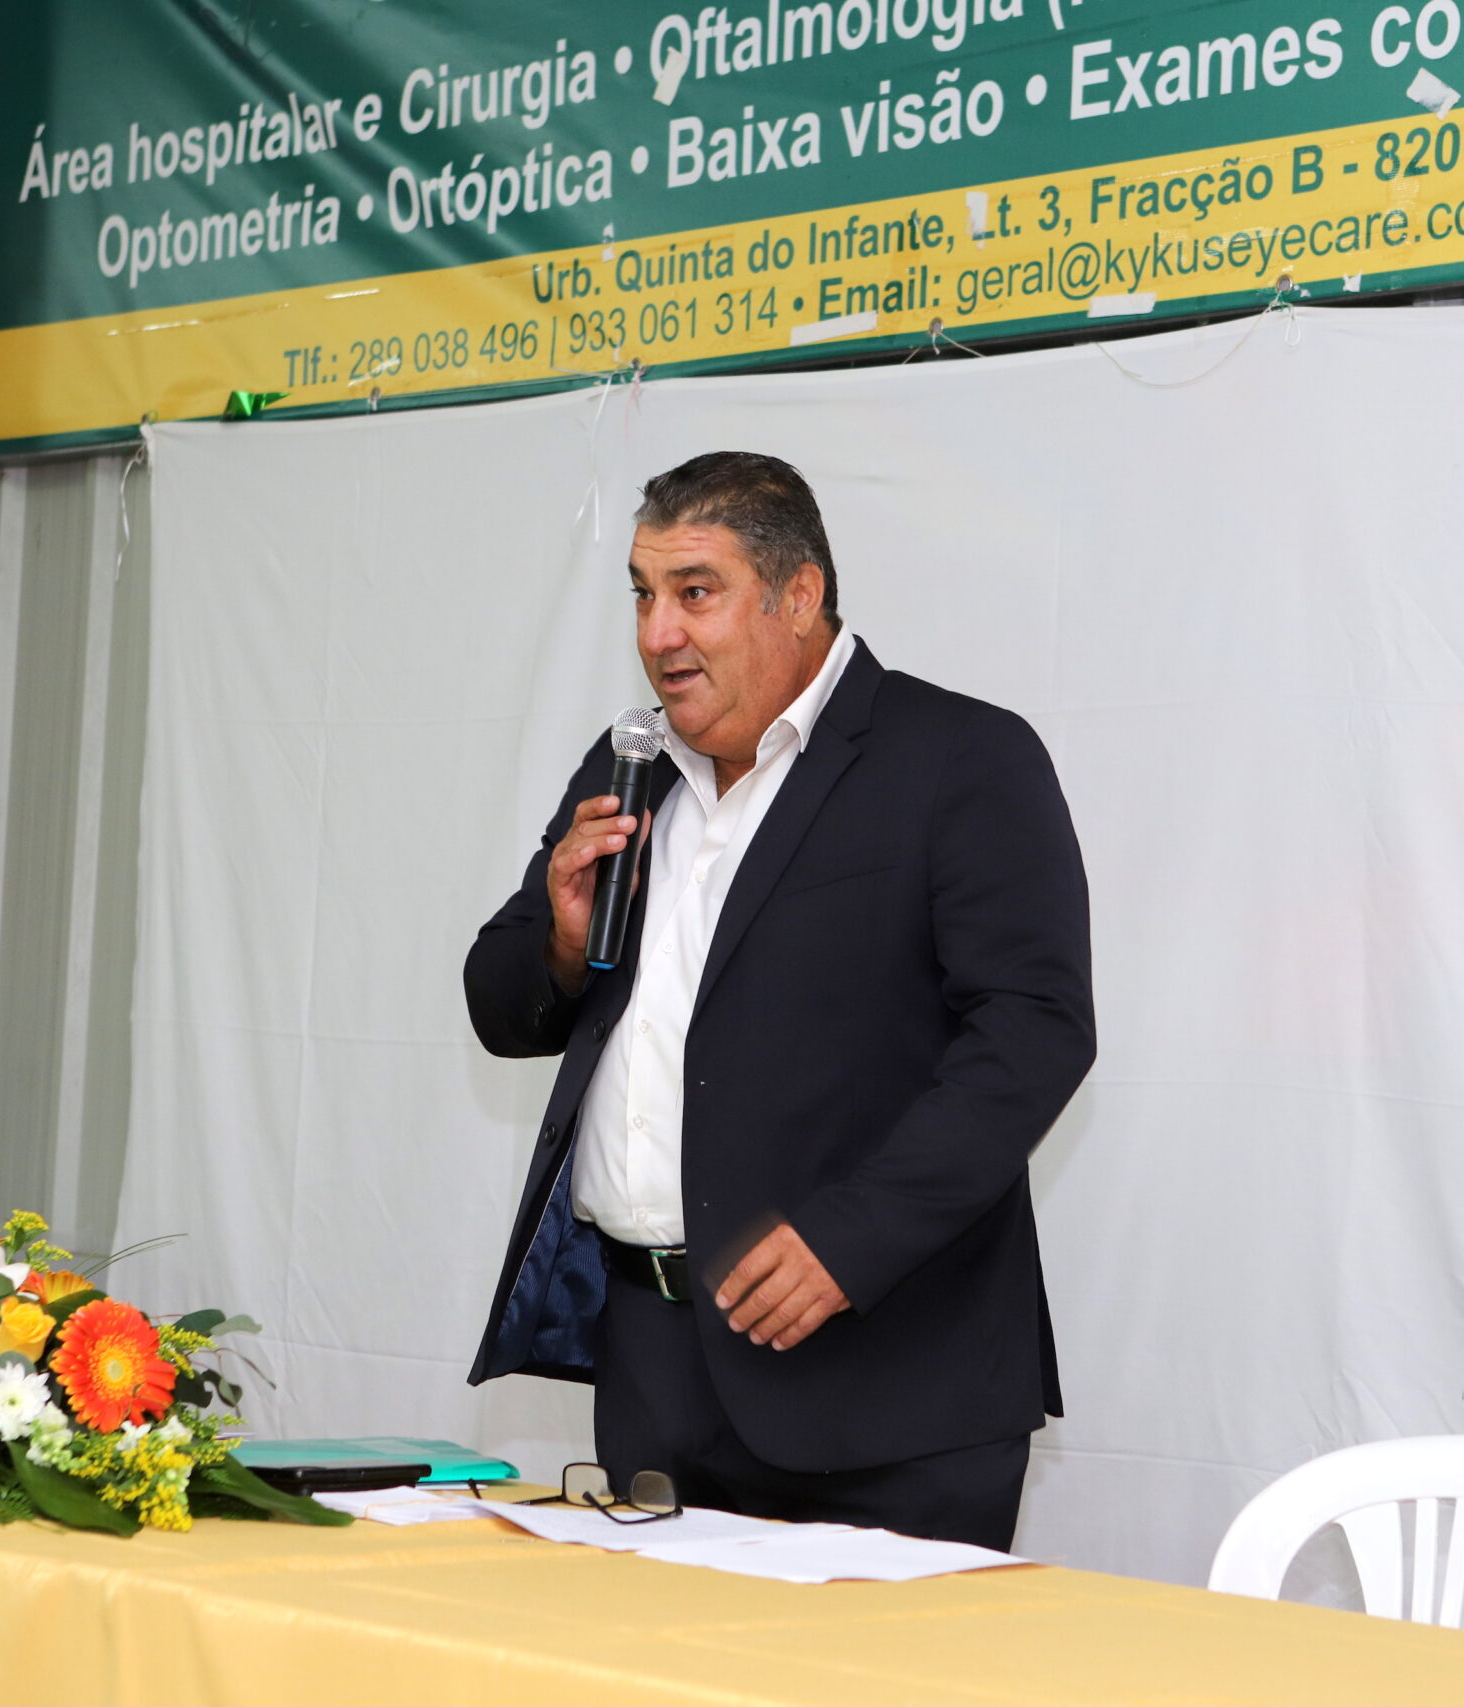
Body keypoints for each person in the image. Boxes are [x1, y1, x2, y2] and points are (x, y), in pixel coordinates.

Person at [462, 451, 1094, 1550]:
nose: (658, 632)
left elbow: (1033, 1033)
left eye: (694, 591)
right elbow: (499, 1004)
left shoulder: (958, 757)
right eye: (642, 594)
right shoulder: (628, 767)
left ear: (798, 596)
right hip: (654, 1369)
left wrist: (853, 1239)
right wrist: (562, 943)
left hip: (881, 1372)